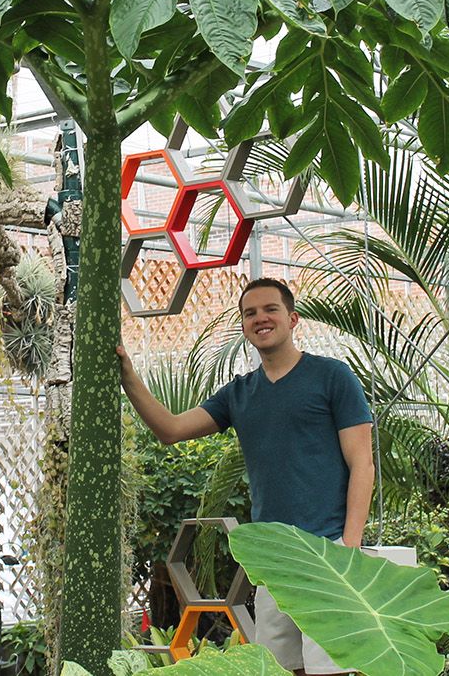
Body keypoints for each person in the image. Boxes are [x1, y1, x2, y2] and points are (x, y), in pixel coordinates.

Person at [117, 277, 374, 676]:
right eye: (250, 313)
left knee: (336, 668)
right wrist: (128, 376)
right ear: (243, 326)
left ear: (292, 318)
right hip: (273, 560)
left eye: (270, 309)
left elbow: (363, 463)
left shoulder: (332, 377)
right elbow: (169, 429)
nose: (260, 318)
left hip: (329, 552)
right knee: (281, 668)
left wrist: (349, 547)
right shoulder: (238, 394)